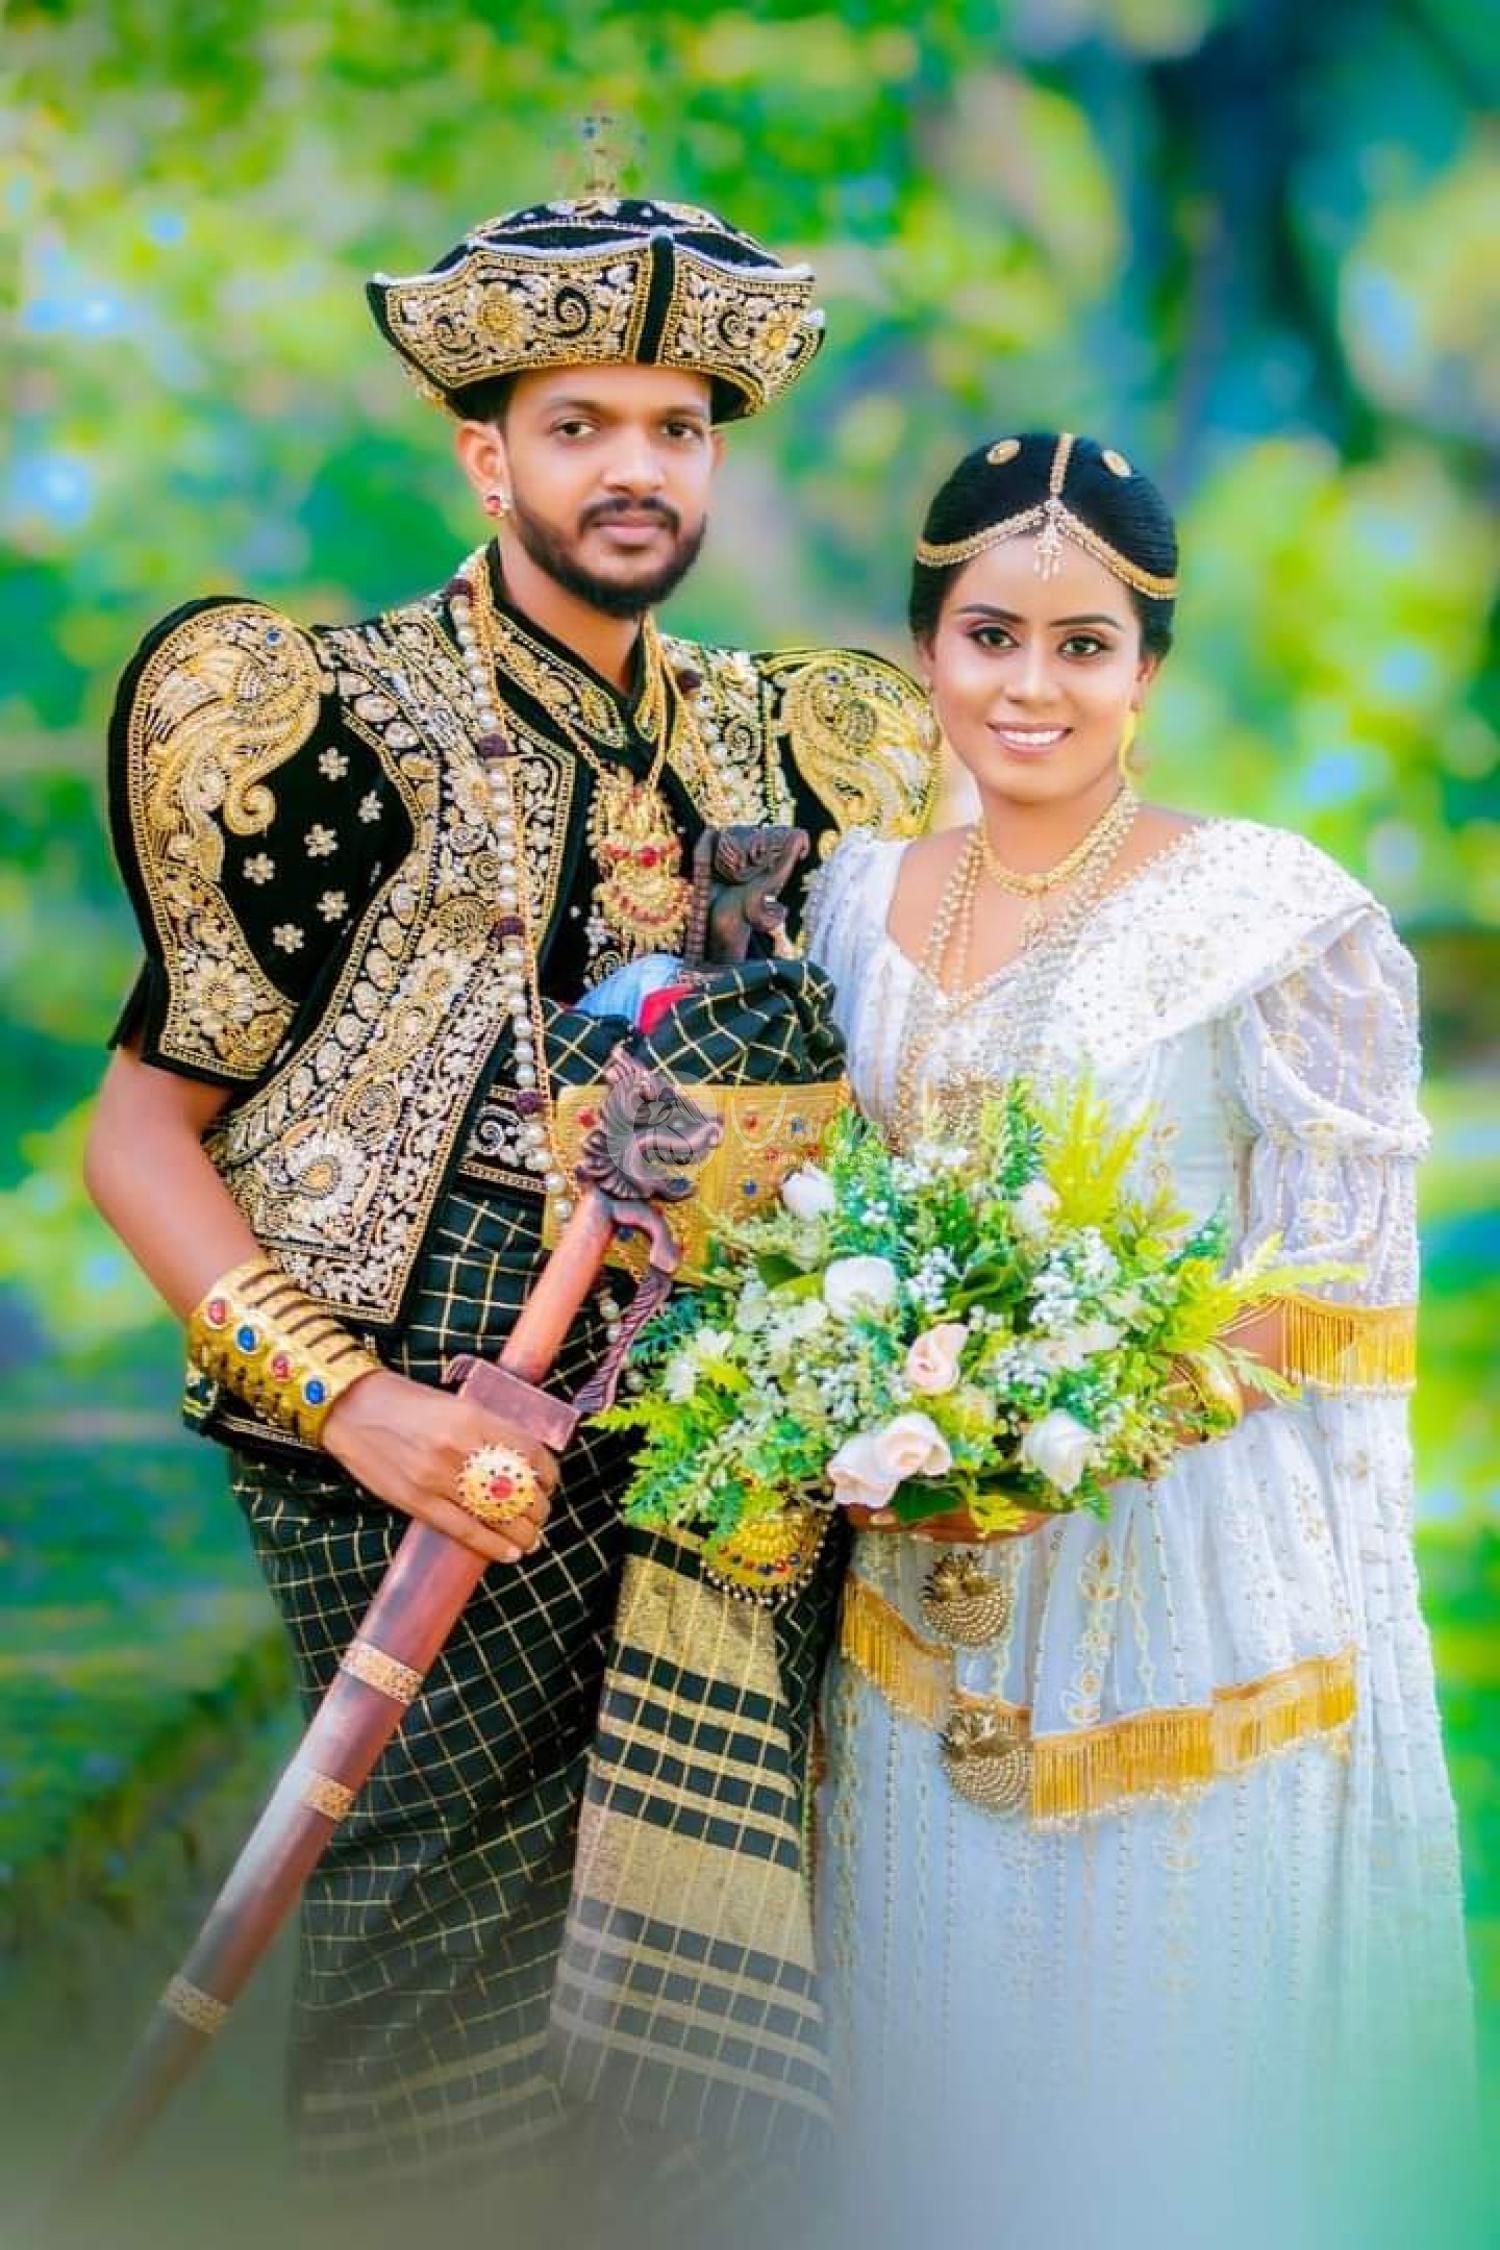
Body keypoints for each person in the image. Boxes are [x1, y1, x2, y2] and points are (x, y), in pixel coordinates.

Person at [84, 193, 934, 2202]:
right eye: (580, 426)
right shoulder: (328, 724)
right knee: (437, 1923)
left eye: (675, 429)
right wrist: (355, 1405)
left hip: (717, 1409)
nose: (636, 468)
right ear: (487, 457)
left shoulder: (794, 740)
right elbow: (136, 1134)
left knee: (714, 1909)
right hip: (402, 1398)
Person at [806, 431, 1476, 2249]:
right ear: (927, 648)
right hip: (910, 1571)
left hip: (1181, 1564)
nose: (1031, 685)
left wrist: (1070, 1431)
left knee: (1158, 2050)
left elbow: (1336, 1267)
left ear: (1148, 671)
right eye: (990, 635)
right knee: (930, 2056)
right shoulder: (853, 900)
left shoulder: (1268, 916)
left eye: (1084, 644)